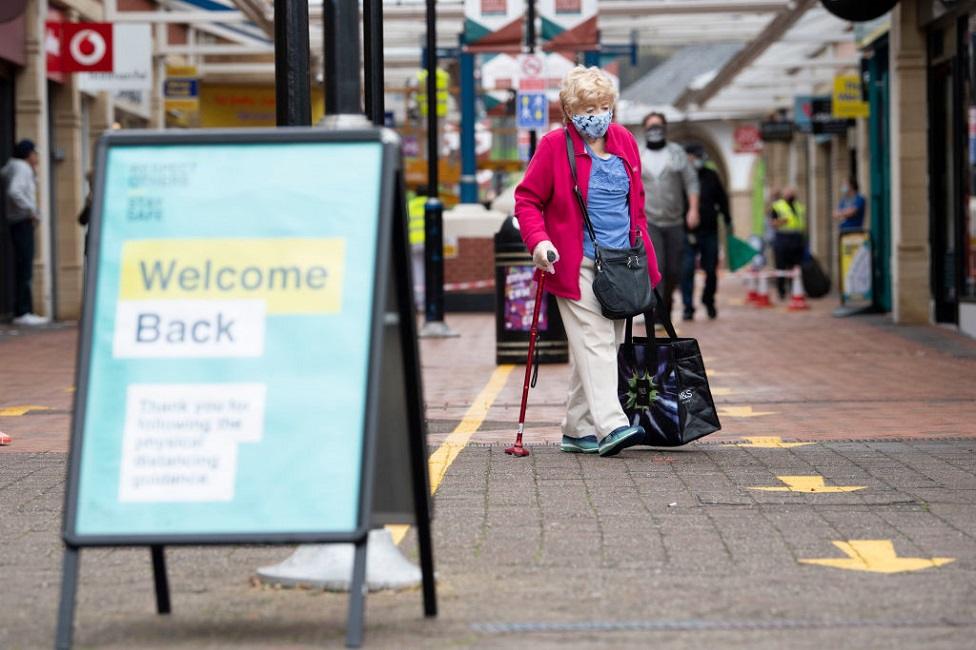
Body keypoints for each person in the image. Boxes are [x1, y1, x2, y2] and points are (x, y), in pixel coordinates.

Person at [515, 66, 660, 457]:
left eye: (602, 105)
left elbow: (638, 206)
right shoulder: (552, 147)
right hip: (575, 262)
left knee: (604, 345)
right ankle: (611, 425)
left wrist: (647, 258)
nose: (596, 114)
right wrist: (539, 242)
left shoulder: (625, 142)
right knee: (595, 341)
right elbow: (527, 199)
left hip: (621, 263)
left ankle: (577, 429)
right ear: (569, 112)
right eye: (587, 107)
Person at [641, 112, 700, 320]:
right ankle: (658, 314)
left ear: (665, 129)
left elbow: (691, 181)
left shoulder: (676, 153)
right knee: (658, 267)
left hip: (674, 220)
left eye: (658, 126)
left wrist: (693, 209)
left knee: (674, 268)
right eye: (650, 127)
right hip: (650, 222)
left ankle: (666, 302)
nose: (654, 131)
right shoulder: (639, 155)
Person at [680, 144, 731, 321]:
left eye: (696, 156)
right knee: (686, 270)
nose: (694, 160)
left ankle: (708, 300)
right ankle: (688, 306)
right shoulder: (682, 178)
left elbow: (722, 198)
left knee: (711, 269)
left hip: (709, 230)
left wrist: (727, 218)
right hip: (687, 232)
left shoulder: (711, 176)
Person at [1, 139, 47, 326]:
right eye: (35, 153)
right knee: (25, 266)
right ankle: (23, 311)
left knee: (22, 265)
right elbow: (14, 191)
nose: (37, 157)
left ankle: (22, 309)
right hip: (22, 222)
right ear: (29, 154)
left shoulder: (13, 167)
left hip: (16, 221)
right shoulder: (23, 168)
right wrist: (31, 210)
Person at [769, 185, 807, 300]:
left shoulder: (799, 206)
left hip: (797, 239)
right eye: (788, 192)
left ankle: (795, 290)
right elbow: (773, 223)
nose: (791, 194)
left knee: (795, 267)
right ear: (784, 194)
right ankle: (781, 292)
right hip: (782, 238)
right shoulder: (777, 206)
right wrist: (782, 221)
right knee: (781, 267)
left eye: (792, 192)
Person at [406, 185, 428, 309]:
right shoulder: (431, 203)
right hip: (430, 242)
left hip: (414, 242)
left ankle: (420, 302)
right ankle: (430, 300)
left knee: (417, 271)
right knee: (430, 271)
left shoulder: (411, 205)